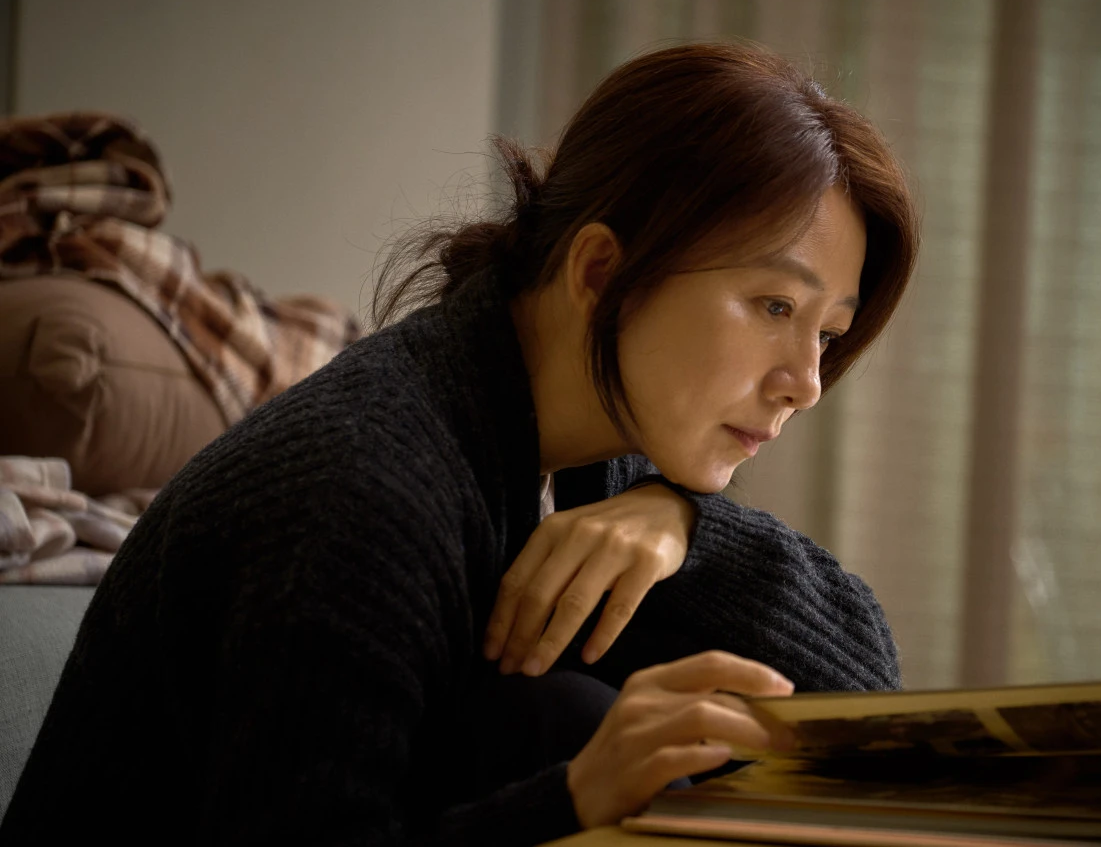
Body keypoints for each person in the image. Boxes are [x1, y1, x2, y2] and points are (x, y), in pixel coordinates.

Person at [0, 42, 918, 845]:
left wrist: (686, 528)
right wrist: (572, 799)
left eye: (827, 332)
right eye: (774, 305)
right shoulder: (358, 494)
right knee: (571, 720)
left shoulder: (600, 454)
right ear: (602, 272)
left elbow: (867, 703)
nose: (805, 380)